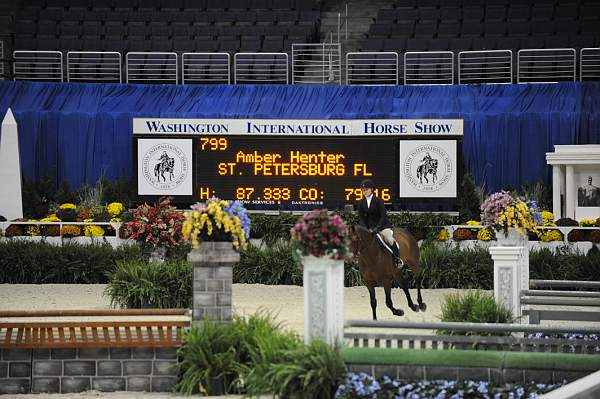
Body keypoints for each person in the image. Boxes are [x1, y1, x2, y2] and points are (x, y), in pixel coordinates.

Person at [357, 179, 403, 268]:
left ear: (371, 190)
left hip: (382, 226)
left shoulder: (379, 201)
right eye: (363, 190)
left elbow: (383, 216)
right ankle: (358, 261)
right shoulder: (361, 202)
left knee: (388, 238)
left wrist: (377, 228)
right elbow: (361, 217)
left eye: (366, 189)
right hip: (368, 228)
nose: (364, 192)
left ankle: (397, 258)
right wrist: (364, 228)